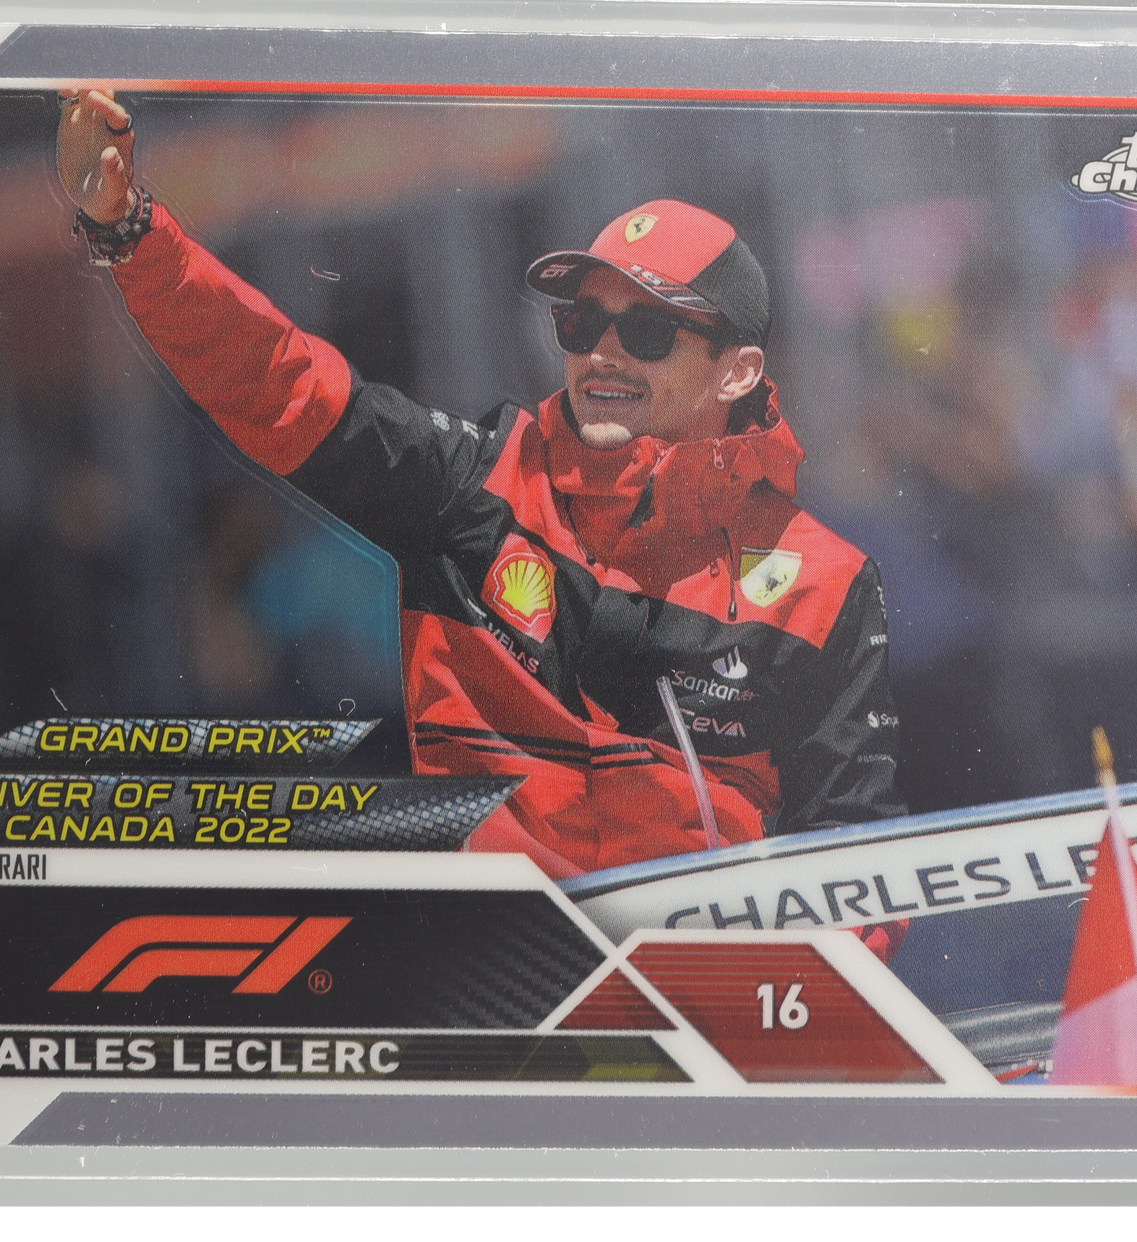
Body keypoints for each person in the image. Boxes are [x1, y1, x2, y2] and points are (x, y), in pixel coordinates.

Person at [55, 89, 904, 879]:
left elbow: (857, 859)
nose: (601, 354)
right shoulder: (476, 485)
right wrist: (130, 230)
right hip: (501, 967)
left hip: (700, 975)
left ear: (737, 371)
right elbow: (281, 383)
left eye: (647, 331)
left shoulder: (827, 583)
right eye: (581, 320)